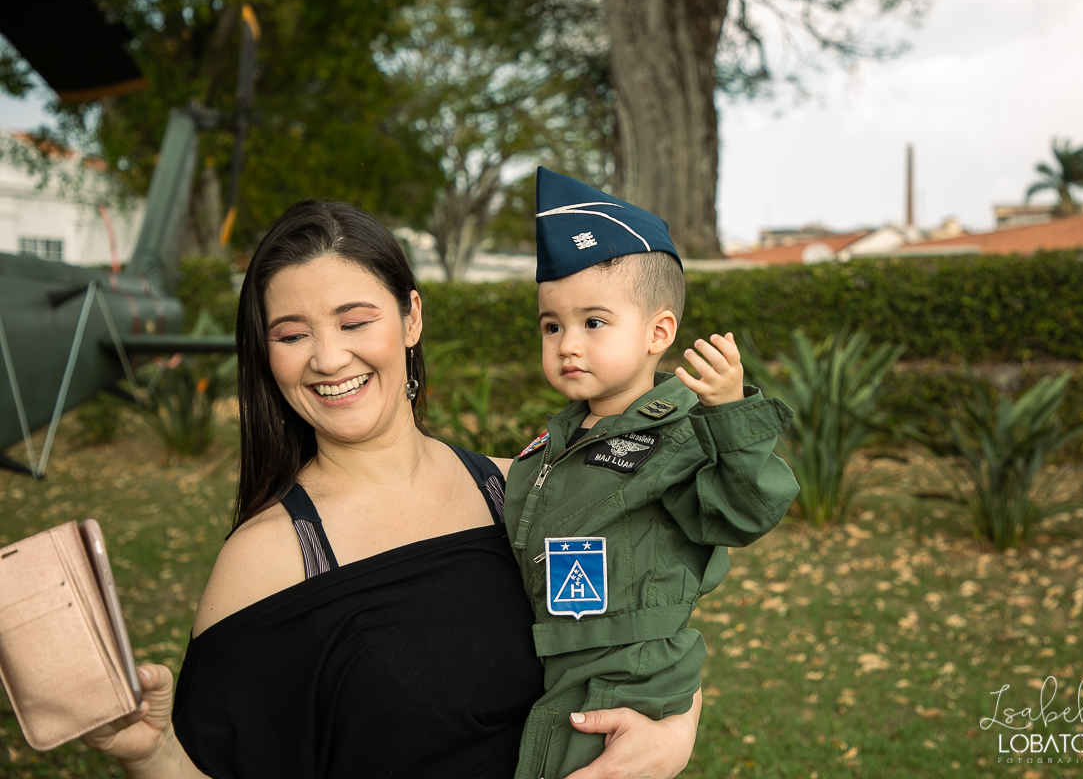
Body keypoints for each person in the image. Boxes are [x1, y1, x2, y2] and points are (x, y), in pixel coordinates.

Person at [81, 199, 702, 779]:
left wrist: (676, 732)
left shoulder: (524, 490)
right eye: (292, 335)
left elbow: (653, 614)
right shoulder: (263, 559)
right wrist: (155, 752)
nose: (327, 358)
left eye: (354, 321)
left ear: (411, 319)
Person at [505, 169, 800, 779]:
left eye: (593, 322)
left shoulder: (682, 432)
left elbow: (745, 510)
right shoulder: (555, 438)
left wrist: (730, 415)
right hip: (559, 668)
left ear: (657, 332)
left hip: (627, 679)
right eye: (551, 325)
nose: (567, 344)